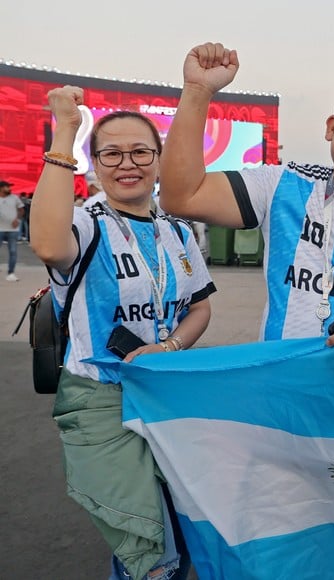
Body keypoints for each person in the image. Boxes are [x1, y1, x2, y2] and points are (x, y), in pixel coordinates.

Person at [29, 86, 216, 579]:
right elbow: (48, 245)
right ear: (93, 162)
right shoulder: (85, 224)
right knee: (148, 548)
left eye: (140, 151)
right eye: (111, 152)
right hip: (100, 397)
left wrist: (169, 346)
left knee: (180, 528)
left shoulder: (176, 231)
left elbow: (200, 308)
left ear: (157, 160)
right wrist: (66, 130)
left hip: (164, 392)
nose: (127, 163)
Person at [159, 43, 334, 344]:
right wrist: (197, 91)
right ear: (332, 127)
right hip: (282, 388)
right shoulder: (283, 186)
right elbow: (181, 196)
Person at [0, 179, 24, 281]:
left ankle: (11, 273)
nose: (9, 188)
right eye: (7, 186)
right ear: (1, 188)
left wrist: (18, 219)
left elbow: (21, 209)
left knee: (13, 251)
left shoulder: (15, 198)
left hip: (12, 230)